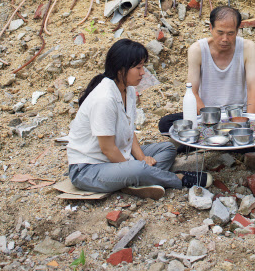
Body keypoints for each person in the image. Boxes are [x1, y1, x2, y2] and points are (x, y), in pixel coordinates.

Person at [67, 39, 210, 200]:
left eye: (143, 67)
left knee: (168, 149)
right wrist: (136, 165)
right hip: (89, 168)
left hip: (119, 156)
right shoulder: (104, 99)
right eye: (138, 68)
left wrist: (142, 158)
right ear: (121, 69)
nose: (143, 73)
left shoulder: (127, 90)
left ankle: (138, 181)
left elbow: (129, 132)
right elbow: (107, 148)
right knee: (138, 169)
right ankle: (179, 179)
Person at [158, 5, 255, 135]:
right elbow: (192, 92)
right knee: (166, 124)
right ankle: (223, 141)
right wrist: (211, 120)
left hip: (237, 114)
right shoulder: (198, 50)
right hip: (207, 113)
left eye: (230, 33)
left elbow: (253, 88)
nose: (225, 39)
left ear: (238, 30)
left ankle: (209, 141)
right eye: (220, 32)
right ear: (211, 28)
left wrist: (248, 123)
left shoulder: (248, 48)